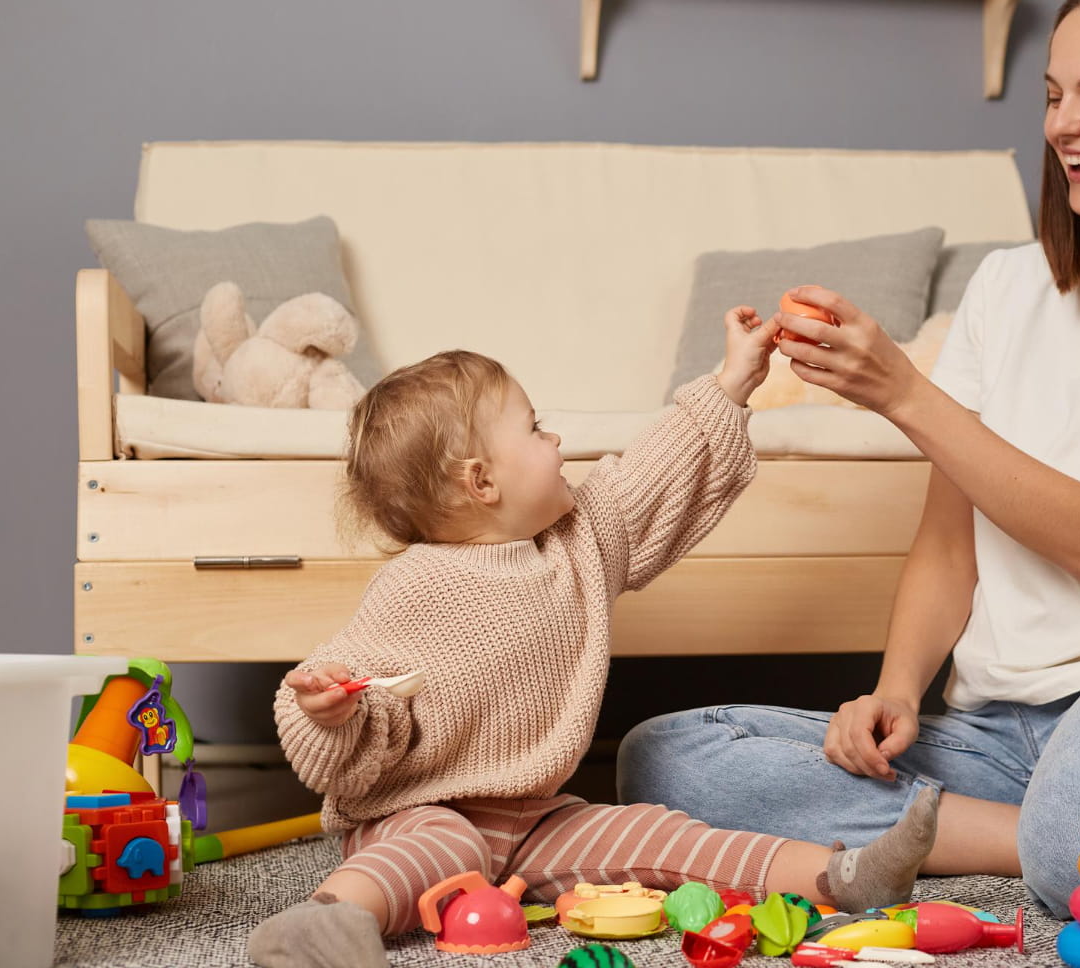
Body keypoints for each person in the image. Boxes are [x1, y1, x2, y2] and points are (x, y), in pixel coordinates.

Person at [616, 0, 1080, 921]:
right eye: (1054, 96)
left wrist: (904, 392)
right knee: (660, 758)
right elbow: (952, 538)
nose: (1064, 125)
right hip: (993, 727)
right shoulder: (1007, 285)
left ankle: (1078, 827)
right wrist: (895, 687)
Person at [245, 311, 940, 968]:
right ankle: (327, 920)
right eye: (534, 428)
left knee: (662, 835)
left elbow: (650, 474)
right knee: (438, 845)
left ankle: (840, 876)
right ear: (482, 480)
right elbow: (353, 711)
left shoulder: (578, 541)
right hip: (419, 813)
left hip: (538, 818)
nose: (554, 441)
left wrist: (732, 382)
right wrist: (331, 711)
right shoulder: (417, 586)